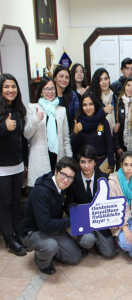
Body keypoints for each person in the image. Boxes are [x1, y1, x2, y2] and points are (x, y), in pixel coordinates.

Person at [21, 157, 82, 275]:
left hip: (53, 228)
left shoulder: (64, 187)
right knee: (50, 246)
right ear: (56, 171)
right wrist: (72, 220)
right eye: (63, 175)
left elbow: (64, 205)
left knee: (75, 257)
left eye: (70, 177)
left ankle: (50, 250)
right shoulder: (41, 191)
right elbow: (44, 225)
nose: (66, 180)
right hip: (34, 231)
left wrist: (71, 207)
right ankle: (41, 261)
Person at [64, 145, 117, 258]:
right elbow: (68, 204)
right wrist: (77, 213)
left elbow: (109, 202)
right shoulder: (74, 180)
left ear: (95, 162)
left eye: (89, 162)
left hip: (100, 222)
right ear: (79, 162)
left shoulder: (103, 178)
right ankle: (86, 240)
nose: (86, 166)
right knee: (87, 240)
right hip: (83, 222)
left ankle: (98, 240)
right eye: (83, 162)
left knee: (110, 253)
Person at [24, 76, 72, 187]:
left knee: (57, 191)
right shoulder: (32, 108)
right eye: (46, 89)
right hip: (39, 159)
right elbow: (27, 134)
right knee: (41, 192)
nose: (49, 92)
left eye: (52, 88)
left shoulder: (61, 110)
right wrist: (36, 119)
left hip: (58, 157)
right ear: (41, 91)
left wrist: (69, 158)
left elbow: (66, 138)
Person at [0, 74, 28, 256]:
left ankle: (19, 234)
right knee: (5, 204)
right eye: (6, 87)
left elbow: (22, 139)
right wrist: (3, 127)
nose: (11, 90)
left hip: (18, 165)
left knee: (16, 202)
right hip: (2, 168)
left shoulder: (18, 109)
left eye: (13, 86)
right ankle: (9, 239)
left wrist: (24, 160)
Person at [109, 151, 132, 259]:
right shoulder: (113, 180)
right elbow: (113, 209)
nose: (129, 168)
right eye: (126, 165)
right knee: (127, 245)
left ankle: (131, 239)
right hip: (119, 221)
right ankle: (117, 239)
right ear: (121, 165)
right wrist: (124, 227)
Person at [71, 91, 114, 173]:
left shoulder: (103, 121)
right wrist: (75, 133)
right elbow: (74, 148)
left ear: (95, 104)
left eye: (91, 104)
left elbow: (109, 145)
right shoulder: (78, 123)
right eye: (85, 105)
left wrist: (111, 165)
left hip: (102, 164)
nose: (88, 108)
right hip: (85, 165)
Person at [89, 68, 117, 135]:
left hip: (112, 135)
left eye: (106, 78)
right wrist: (103, 111)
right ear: (96, 82)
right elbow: (89, 119)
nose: (104, 82)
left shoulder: (113, 95)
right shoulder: (91, 97)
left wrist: (118, 123)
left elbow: (117, 114)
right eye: (100, 79)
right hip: (97, 135)